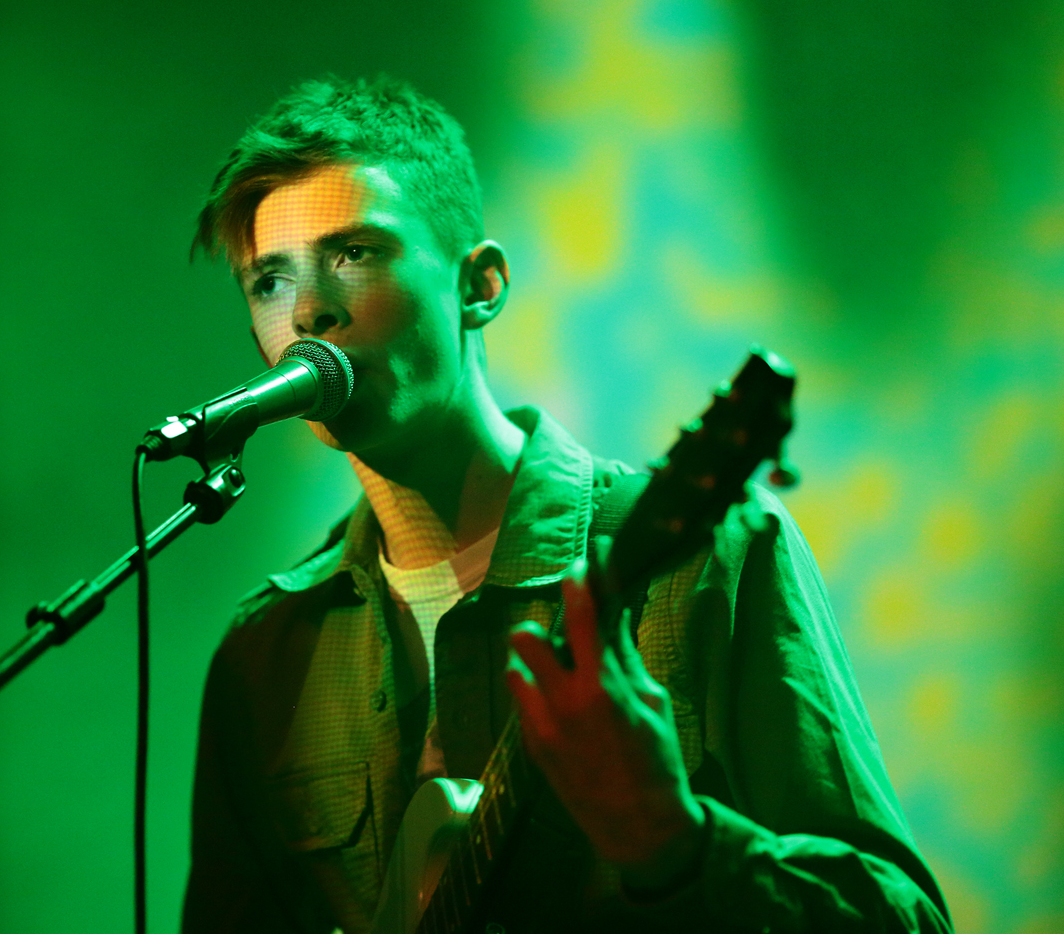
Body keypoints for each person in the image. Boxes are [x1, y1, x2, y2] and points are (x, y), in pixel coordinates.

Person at [180, 75, 951, 933]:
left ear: (480, 285)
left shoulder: (708, 555)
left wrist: (674, 838)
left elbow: (902, 921)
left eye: (354, 253)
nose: (308, 310)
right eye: (269, 281)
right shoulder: (267, 654)